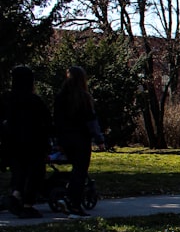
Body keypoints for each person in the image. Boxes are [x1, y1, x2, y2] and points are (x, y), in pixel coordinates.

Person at [1, 66, 52, 218]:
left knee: (18, 171)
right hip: (33, 143)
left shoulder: (6, 99)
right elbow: (47, 121)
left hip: (12, 142)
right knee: (34, 173)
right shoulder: (34, 101)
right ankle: (27, 204)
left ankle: (16, 194)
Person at [53, 65, 104, 217]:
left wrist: (58, 141)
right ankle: (73, 201)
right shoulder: (83, 98)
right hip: (80, 139)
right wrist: (99, 139)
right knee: (80, 171)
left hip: (65, 139)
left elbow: (56, 121)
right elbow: (91, 121)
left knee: (76, 170)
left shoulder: (60, 97)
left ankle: (68, 196)